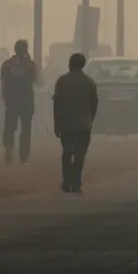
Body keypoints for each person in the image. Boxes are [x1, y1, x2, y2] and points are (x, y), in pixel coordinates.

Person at [53, 52, 99, 193]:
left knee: (67, 153)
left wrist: (56, 123)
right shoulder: (89, 82)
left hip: (66, 123)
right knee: (80, 154)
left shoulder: (62, 81)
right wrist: (90, 120)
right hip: (83, 124)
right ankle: (76, 181)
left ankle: (67, 181)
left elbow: (57, 104)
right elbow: (94, 104)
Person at [0, 39, 38, 165]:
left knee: (10, 126)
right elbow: (35, 79)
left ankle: (9, 147)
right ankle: (24, 157)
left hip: (11, 99)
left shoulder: (7, 64)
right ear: (26, 50)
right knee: (26, 129)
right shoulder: (30, 64)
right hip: (26, 100)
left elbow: (3, 81)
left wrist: (5, 96)